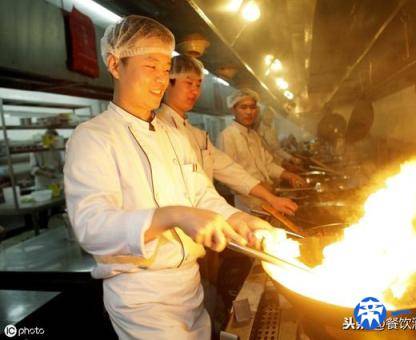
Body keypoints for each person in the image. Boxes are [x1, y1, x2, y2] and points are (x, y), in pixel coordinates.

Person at [64, 15, 271, 340]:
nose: (162, 79)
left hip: (190, 288)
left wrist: (241, 219)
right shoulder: (92, 137)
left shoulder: (174, 137)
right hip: (142, 298)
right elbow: (92, 227)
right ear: (115, 64)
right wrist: (173, 215)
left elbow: (202, 196)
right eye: (151, 66)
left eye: (165, 68)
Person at [157, 55, 297, 216]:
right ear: (167, 82)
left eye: (198, 84)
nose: (195, 91)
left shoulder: (197, 135)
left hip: (205, 222)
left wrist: (272, 198)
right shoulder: (158, 129)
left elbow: (229, 170)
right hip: (181, 226)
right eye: (189, 83)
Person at [217, 89, 307, 211]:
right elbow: (229, 175)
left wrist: (288, 175)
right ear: (233, 110)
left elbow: (267, 164)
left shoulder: (253, 135)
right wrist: (259, 185)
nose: (249, 112)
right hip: (248, 203)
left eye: (252, 107)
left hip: (268, 197)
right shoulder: (227, 136)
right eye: (243, 107)